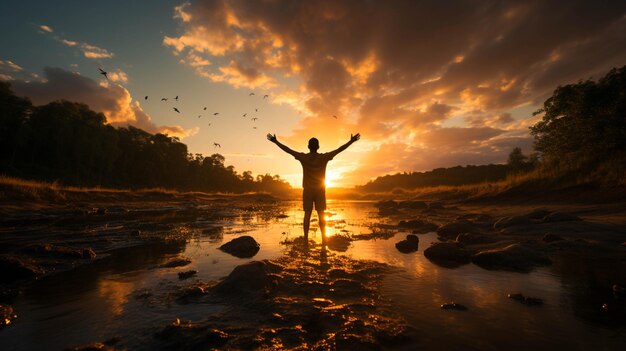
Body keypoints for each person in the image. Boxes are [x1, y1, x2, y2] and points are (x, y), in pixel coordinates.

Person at [266, 133, 360, 244]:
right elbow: (339, 150)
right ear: (318, 147)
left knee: (307, 214)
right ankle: (324, 239)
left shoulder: (304, 157)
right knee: (321, 214)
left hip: (308, 190)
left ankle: (305, 238)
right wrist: (351, 141)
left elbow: (288, 150)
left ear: (308, 146)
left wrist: (275, 141)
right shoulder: (324, 157)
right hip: (320, 190)